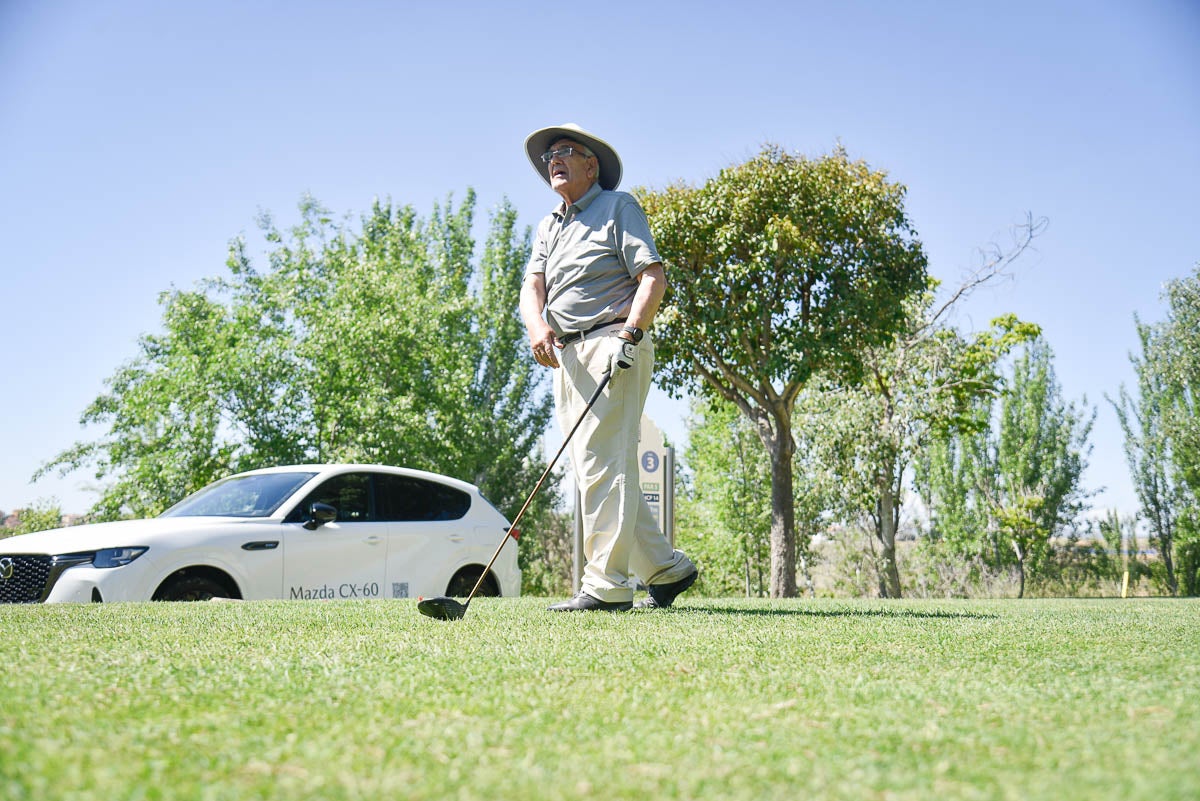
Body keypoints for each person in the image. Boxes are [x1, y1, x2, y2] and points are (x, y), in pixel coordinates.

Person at [519, 123, 698, 612]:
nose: (553, 160)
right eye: (548, 155)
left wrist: (631, 334)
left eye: (565, 152)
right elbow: (532, 287)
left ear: (590, 165)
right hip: (565, 354)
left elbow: (652, 276)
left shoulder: (619, 208)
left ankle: (606, 586)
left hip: (611, 340)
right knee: (593, 467)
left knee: (601, 465)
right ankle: (667, 570)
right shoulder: (548, 225)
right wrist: (538, 328)